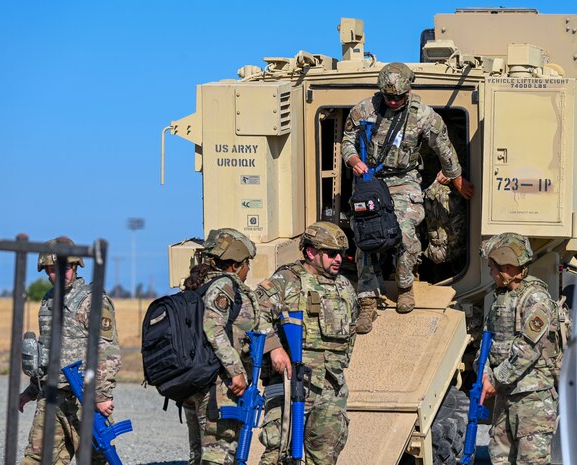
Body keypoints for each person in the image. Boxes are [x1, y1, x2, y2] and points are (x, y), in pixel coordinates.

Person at [341, 61, 474, 333]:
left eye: (399, 97)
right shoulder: (364, 110)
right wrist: (352, 158)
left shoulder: (424, 116)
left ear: (409, 90)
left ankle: (404, 286)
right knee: (367, 235)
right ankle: (367, 301)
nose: (393, 101)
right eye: (388, 96)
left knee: (403, 231)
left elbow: (444, 149)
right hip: (370, 181)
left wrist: (458, 180)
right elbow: (347, 140)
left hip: (404, 180)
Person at [256, 221, 358, 465]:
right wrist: (275, 348)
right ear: (311, 252)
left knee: (325, 455)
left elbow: (351, 328)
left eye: (341, 254)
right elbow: (255, 313)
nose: (338, 259)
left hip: (331, 386)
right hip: (291, 382)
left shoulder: (344, 287)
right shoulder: (287, 280)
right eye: (331, 253)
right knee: (277, 452)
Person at [18, 236, 121, 465]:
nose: (61, 273)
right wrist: (32, 391)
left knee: (96, 459)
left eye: (66, 267)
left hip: (84, 399)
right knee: (36, 458)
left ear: (75, 266)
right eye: (53, 269)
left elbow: (108, 352)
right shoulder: (48, 302)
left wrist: (102, 396)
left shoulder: (92, 301)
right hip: (51, 396)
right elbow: (45, 353)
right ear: (46, 271)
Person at [182, 228, 279, 465]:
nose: (248, 270)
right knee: (220, 453)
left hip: (196, 380)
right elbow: (212, 329)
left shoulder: (198, 284)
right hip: (218, 385)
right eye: (247, 264)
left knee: (200, 456)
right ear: (236, 264)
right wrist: (236, 372)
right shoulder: (223, 287)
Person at [478, 232, 559, 465]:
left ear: (509, 264)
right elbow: (487, 342)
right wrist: (483, 372)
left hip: (532, 399)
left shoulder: (536, 299)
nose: (491, 272)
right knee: (500, 459)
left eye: (494, 267)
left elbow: (528, 349)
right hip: (506, 397)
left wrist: (495, 378)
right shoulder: (501, 298)